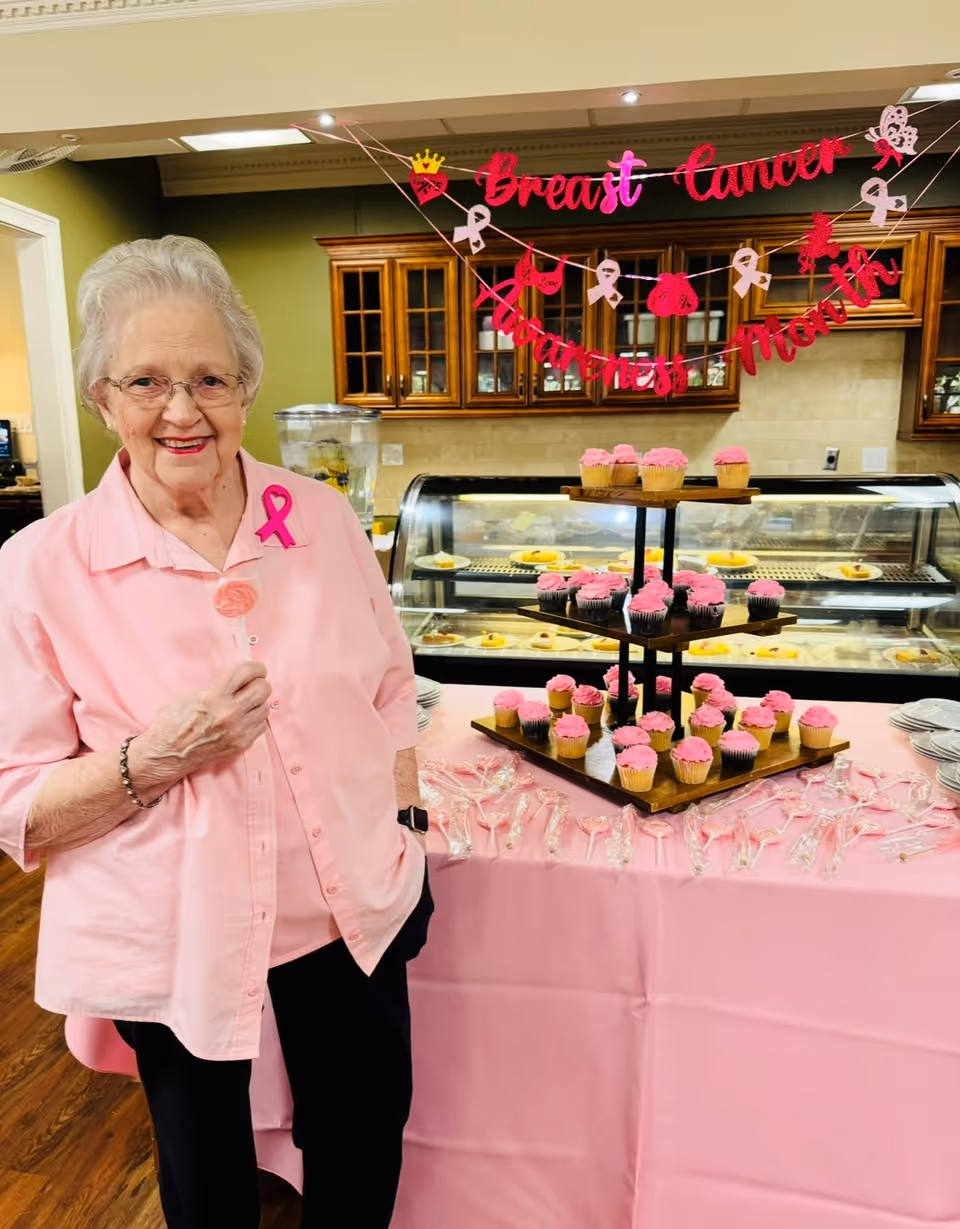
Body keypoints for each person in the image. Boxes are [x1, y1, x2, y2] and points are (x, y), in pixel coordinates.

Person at [0, 235, 432, 1229]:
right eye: (146, 380)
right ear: (101, 399)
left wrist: (405, 816)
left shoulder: (320, 519)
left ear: (248, 387)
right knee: (206, 1172)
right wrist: (150, 760)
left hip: (349, 900)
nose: (183, 409)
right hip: (174, 921)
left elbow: (389, 682)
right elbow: (13, 793)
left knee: (363, 1127)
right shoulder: (40, 566)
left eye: (211, 377)